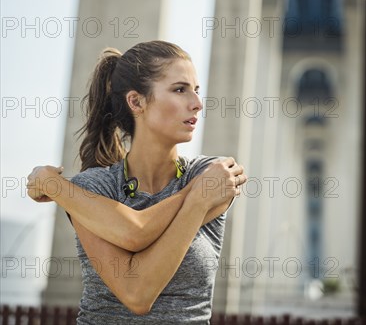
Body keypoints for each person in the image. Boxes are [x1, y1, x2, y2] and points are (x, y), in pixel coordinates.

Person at [27, 41, 247, 324]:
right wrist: (198, 197)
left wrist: (51, 184)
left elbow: (136, 230)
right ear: (136, 102)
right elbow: (136, 292)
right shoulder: (94, 187)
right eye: (180, 90)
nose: (197, 103)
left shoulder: (211, 174)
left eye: (196, 90)